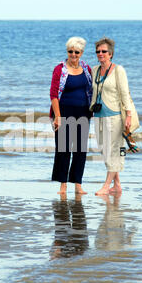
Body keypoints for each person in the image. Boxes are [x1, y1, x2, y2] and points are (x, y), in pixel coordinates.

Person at [90, 37, 134, 196]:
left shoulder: (118, 70)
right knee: (104, 149)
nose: (100, 54)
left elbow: (125, 94)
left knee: (114, 151)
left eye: (104, 51)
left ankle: (106, 185)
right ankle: (117, 185)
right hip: (98, 115)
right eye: (98, 51)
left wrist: (128, 115)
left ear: (111, 54)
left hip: (114, 117)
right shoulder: (94, 70)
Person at [49, 36, 93, 195]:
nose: (73, 55)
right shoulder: (60, 69)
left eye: (76, 52)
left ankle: (78, 184)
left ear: (81, 53)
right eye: (70, 51)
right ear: (67, 52)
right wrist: (58, 116)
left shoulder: (87, 68)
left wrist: (93, 110)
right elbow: (53, 94)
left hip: (83, 112)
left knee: (80, 150)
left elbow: (91, 91)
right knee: (64, 149)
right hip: (64, 112)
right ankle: (63, 185)